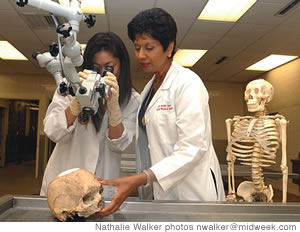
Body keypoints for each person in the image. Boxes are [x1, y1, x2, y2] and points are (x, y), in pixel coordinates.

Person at [98, 8, 226, 216]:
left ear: (169, 48)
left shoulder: (187, 83)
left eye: (149, 47)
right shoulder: (150, 88)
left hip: (192, 193)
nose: (140, 55)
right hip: (161, 193)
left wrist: (140, 179)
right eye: (137, 47)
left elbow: (192, 148)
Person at [40, 32, 140, 198]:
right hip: (64, 182)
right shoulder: (70, 87)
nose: (101, 74)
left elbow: (119, 145)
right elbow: (52, 131)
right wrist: (75, 105)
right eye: (95, 67)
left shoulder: (132, 100)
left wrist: (114, 109)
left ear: (121, 64)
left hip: (102, 184)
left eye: (109, 67)